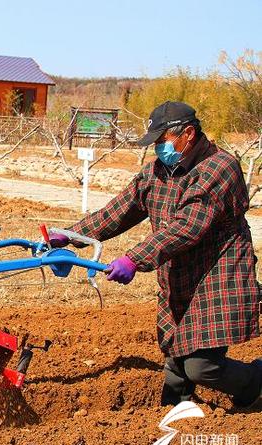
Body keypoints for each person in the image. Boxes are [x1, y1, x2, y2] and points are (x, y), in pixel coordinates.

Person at [51, 101, 261, 409]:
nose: (158, 150)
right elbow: (118, 211)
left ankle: (255, 380)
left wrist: (134, 258)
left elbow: (186, 226)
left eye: (162, 142)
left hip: (217, 278)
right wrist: (70, 235)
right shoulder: (158, 172)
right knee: (176, 357)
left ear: (187, 134)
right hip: (179, 276)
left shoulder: (220, 168)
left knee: (202, 366)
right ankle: (174, 413)